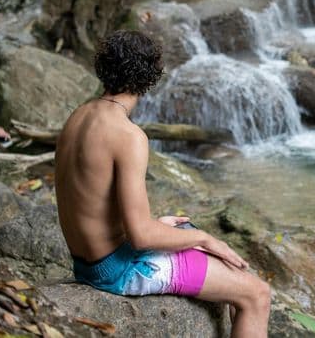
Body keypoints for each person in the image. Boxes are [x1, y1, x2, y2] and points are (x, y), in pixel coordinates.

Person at [54, 30, 270, 337]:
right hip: (118, 271)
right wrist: (204, 239)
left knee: (227, 265)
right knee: (257, 295)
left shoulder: (78, 116)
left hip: (88, 264)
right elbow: (141, 236)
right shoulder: (128, 136)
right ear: (149, 77)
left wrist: (165, 228)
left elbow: (94, 205)